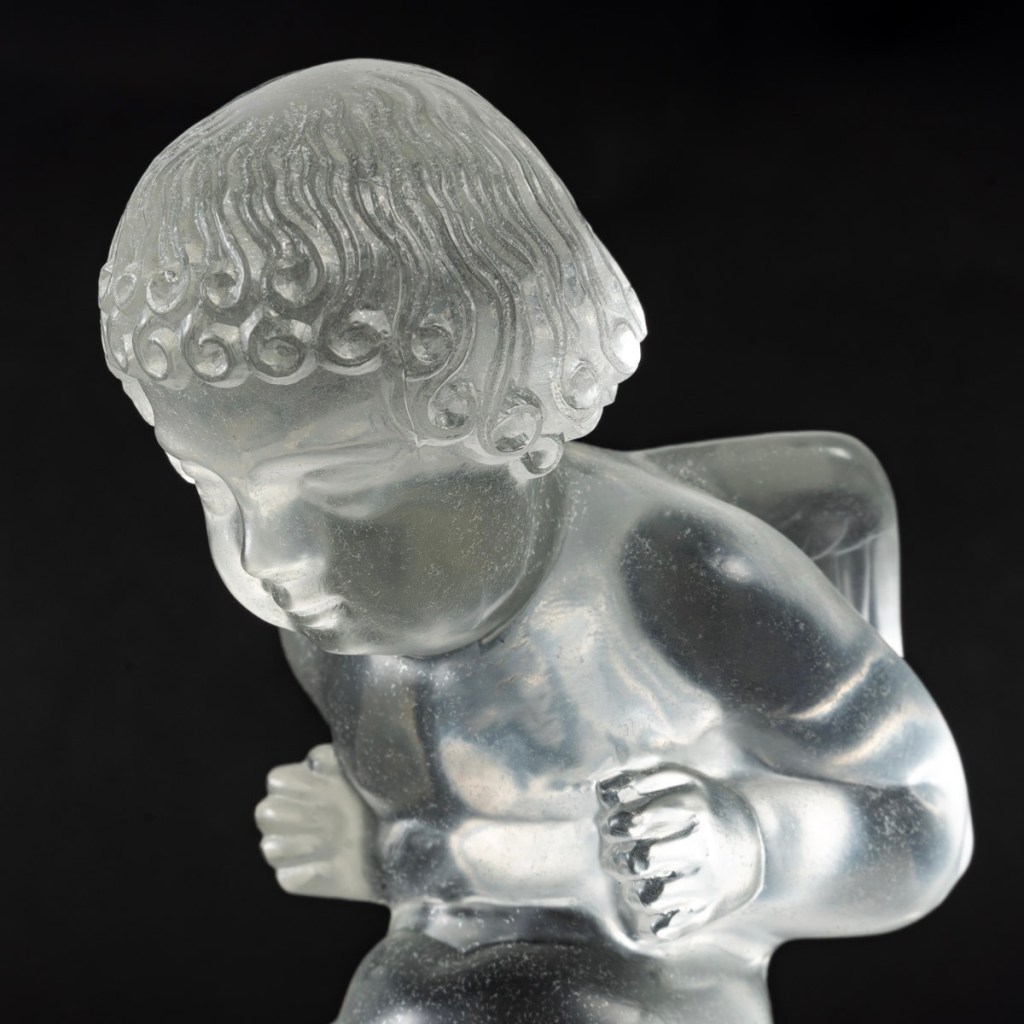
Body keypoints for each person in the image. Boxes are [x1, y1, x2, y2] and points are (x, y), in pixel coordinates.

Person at [100, 59, 972, 1023]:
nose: (274, 559)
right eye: (211, 487)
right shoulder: (333, 624)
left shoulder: (674, 571)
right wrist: (376, 850)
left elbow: (918, 821)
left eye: (349, 487)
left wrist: (748, 845)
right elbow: (457, 857)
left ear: (514, 421)